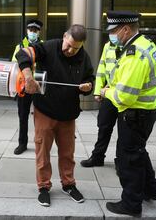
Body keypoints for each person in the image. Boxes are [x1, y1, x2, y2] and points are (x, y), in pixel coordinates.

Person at [16, 24, 94, 207]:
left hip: (68, 114)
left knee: (67, 153)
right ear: (64, 36)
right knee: (42, 151)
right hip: (45, 110)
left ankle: (69, 184)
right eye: (68, 45)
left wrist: (88, 86)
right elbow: (23, 54)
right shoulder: (49, 47)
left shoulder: (83, 57)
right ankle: (43, 187)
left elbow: (90, 78)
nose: (70, 51)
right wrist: (28, 77)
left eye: (76, 48)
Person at [102, 11, 156, 217]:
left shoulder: (134, 54)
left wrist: (106, 91)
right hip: (146, 112)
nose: (111, 35)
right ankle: (151, 190)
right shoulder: (146, 43)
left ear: (126, 29)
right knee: (139, 152)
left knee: (129, 159)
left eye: (114, 31)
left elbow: (125, 96)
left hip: (135, 113)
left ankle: (130, 204)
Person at [80, 40, 118, 167]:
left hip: (126, 94)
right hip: (109, 93)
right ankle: (98, 156)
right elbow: (102, 68)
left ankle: (121, 161)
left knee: (125, 131)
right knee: (104, 126)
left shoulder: (133, 45)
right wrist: (97, 91)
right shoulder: (107, 45)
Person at [12, 19, 43, 155]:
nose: (32, 33)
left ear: (39, 32)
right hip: (23, 86)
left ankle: (40, 142)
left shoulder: (43, 46)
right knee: (23, 116)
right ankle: (22, 143)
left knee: (40, 117)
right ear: (27, 31)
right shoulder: (20, 46)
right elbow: (13, 66)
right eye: (31, 30)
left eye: (35, 31)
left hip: (38, 86)